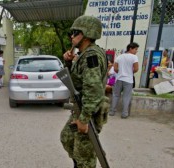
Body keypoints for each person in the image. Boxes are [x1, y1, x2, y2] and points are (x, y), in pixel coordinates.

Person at [61, 15, 109, 168]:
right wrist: (68, 61)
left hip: (88, 111)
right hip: (81, 108)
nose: (72, 36)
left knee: (84, 156)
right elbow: (76, 80)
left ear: (85, 35)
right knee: (67, 138)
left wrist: (84, 118)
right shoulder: (84, 54)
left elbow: (93, 90)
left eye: (75, 32)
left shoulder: (91, 56)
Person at [109, 42, 139, 118]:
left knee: (115, 95)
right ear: (130, 48)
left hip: (119, 79)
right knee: (126, 96)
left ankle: (112, 111)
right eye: (135, 49)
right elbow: (136, 69)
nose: (136, 51)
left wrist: (121, 72)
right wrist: (129, 72)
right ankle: (124, 113)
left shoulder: (120, 57)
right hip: (128, 80)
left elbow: (115, 69)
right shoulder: (134, 57)